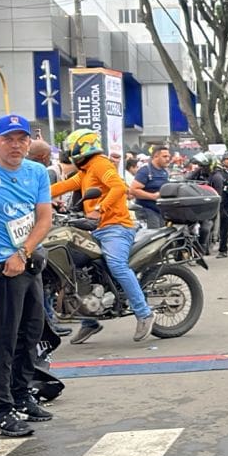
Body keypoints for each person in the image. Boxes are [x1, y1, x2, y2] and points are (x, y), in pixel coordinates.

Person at [0, 114, 55, 436]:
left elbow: (44, 218)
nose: (16, 145)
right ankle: (3, 405)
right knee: (4, 337)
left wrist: (22, 253)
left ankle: (23, 394)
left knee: (32, 332)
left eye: (21, 139)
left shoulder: (37, 172)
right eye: (8, 138)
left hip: (26, 262)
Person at [52, 129, 156, 342]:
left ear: (82, 148)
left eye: (72, 149)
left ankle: (145, 313)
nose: (70, 153)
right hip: (96, 229)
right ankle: (89, 320)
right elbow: (62, 186)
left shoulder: (100, 163)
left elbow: (119, 188)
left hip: (116, 227)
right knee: (76, 268)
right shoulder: (86, 171)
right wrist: (32, 195)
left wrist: (100, 208)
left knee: (117, 265)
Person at [130, 144, 171, 229]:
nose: (168, 159)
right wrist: (152, 196)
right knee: (154, 237)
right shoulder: (145, 171)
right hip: (147, 210)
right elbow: (133, 190)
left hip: (160, 211)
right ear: (156, 156)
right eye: (164, 156)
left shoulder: (164, 172)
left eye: (168, 156)